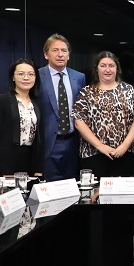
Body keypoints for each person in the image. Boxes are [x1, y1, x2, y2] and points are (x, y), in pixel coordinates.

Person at [71, 51, 134, 177]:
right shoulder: (86, 92)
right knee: (95, 189)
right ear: (97, 69)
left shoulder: (129, 90)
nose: (107, 69)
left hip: (123, 153)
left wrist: (125, 145)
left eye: (111, 65)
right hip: (93, 153)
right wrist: (100, 146)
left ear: (117, 68)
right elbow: (79, 122)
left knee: (122, 189)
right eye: (103, 65)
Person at [38, 33, 86, 181]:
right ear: (46, 54)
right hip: (48, 142)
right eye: (55, 50)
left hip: (73, 141)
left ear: (68, 55)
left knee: (72, 185)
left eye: (64, 51)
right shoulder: (37, 76)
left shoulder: (79, 77)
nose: (60, 54)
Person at [0, 58, 43, 176]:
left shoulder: (37, 103)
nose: (26, 78)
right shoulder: (2, 100)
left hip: (30, 159)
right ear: (13, 77)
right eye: (21, 74)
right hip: (6, 160)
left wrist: (39, 168)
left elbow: (39, 138)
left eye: (31, 74)